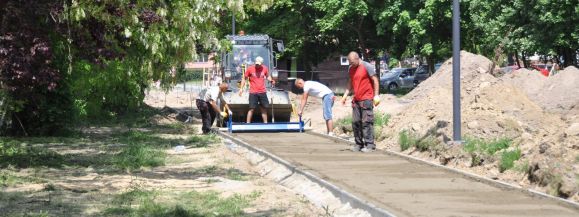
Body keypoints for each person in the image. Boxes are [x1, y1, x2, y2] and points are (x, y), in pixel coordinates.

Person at [341, 51, 380, 153]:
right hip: (356, 100)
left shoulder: (367, 66)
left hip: (367, 98)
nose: (351, 65)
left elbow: (375, 80)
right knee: (355, 122)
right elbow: (350, 82)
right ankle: (359, 144)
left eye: (353, 62)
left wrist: (376, 95)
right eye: (350, 63)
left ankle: (370, 145)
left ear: (357, 58)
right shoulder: (351, 68)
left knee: (366, 122)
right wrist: (345, 95)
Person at [238, 56, 275, 123]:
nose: (257, 65)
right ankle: (248, 124)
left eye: (259, 64)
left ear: (261, 63)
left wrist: (271, 80)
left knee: (263, 108)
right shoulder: (250, 69)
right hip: (253, 92)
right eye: (256, 64)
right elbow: (244, 78)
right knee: (251, 109)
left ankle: (265, 124)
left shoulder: (265, 68)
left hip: (262, 91)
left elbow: (268, 76)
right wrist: (241, 89)